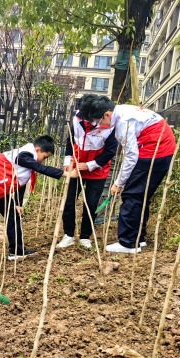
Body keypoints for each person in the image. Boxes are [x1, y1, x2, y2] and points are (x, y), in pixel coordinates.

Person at [77, 95, 176, 253]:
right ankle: (139, 238)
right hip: (162, 149)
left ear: (107, 114)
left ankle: (129, 243)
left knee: (132, 195)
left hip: (155, 150)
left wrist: (118, 183)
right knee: (141, 195)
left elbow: (131, 156)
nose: (99, 126)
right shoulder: (122, 110)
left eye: (99, 121)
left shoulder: (123, 123)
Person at [0, 136, 78, 260]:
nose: (43, 161)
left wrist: (18, 203)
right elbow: (41, 169)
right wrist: (67, 174)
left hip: (2, 190)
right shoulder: (23, 155)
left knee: (14, 215)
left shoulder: (27, 158)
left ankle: (17, 251)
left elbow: (20, 181)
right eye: (45, 157)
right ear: (38, 149)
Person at [57, 98, 118, 249]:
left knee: (90, 204)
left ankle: (85, 236)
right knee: (69, 201)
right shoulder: (77, 120)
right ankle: (68, 235)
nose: (89, 122)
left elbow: (110, 152)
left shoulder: (110, 125)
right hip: (75, 169)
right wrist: (67, 162)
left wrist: (89, 165)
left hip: (97, 170)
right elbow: (70, 142)